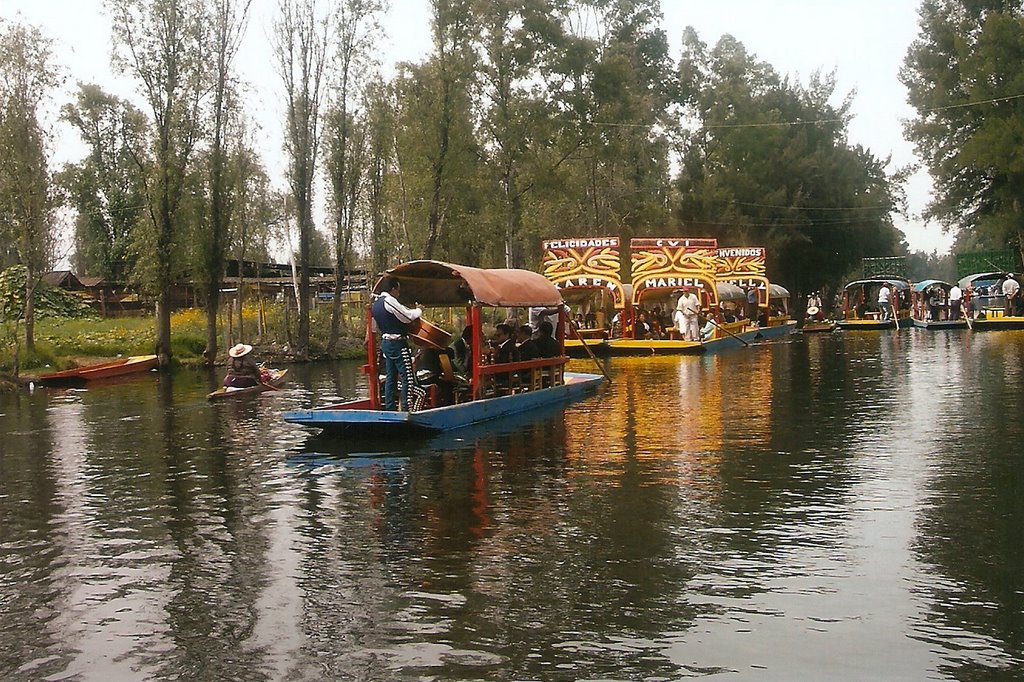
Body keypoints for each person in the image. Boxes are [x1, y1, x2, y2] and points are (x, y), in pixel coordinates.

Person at [371, 276, 424, 411]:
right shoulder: (389, 300)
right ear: (393, 288)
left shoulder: (376, 304)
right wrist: (418, 310)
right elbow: (407, 316)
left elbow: (375, 327)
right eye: (398, 290)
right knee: (407, 377)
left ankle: (390, 408)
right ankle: (406, 409)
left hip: (386, 343)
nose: (399, 293)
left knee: (391, 377)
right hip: (397, 343)